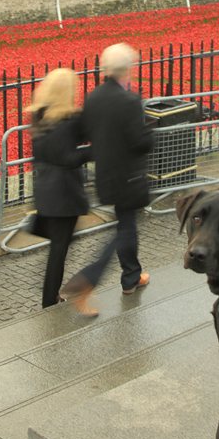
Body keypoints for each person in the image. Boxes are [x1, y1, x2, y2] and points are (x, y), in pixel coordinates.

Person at [61, 43, 154, 317]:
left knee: (126, 224)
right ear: (128, 70)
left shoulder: (94, 97)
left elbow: (84, 132)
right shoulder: (129, 100)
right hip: (130, 176)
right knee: (124, 230)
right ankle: (88, 279)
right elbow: (140, 142)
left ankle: (131, 277)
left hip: (107, 175)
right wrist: (150, 130)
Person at [26, 68, 92, 308]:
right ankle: (49, 300)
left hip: (47, 191)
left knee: (60, 246)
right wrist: (93, 151)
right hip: (64, 194)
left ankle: (50, 295)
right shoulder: (67, 121)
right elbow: (68, 157)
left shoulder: (40, 118)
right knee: (59, 249)